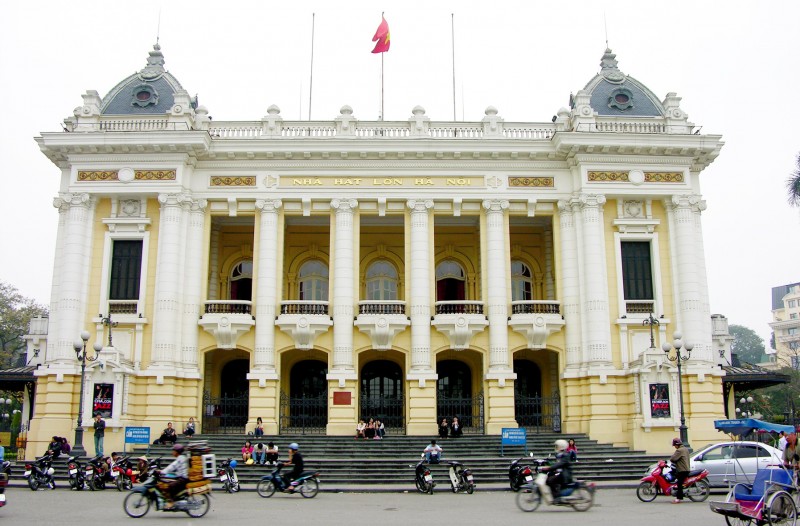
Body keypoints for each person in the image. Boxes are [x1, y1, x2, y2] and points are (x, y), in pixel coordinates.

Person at [541, 439, 573, 503]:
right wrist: (549, 466)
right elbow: (557, 464)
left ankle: (556, 496)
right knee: (549, 478)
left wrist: (550, 468)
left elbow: (559, 464)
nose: (556, 447)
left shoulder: (565, 455)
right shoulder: (560, 454)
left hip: (565, 475)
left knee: (550, 480)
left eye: (557, 446)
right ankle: (555, 494)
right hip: (561, 473)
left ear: (561, 446)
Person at [159, 444, 189, 509]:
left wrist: (162, 472)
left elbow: (172, 466)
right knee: (166, 481)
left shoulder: (181, 458)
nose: (172, 452)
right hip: (179, 477)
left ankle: (171, 502)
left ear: (177, 452)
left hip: (183, 479)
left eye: (173, 451)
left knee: (169, 486)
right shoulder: (180, 458)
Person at [669, 437, 690, 504]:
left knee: (679, 483)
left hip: (682, 469)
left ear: (677, 444)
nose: (674, 447)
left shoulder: (679, 450)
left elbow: (673, 459)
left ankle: (678, 498)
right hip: (686, 468)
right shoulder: (685, 449)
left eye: (675, 445)